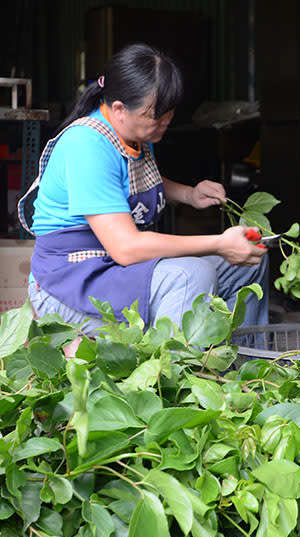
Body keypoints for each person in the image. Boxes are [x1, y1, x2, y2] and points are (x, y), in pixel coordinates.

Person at [19, 43, 268, 336]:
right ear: (119, 109)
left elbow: (131, 181)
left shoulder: (134, 133)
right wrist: (218, 243)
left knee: (247, 265)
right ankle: (173, 376)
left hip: (116, 269)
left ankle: (244, 371)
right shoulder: (86, 145)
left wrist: (189, 194)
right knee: (190, 275)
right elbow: (126, 248)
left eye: (169, 112)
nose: (167, 121)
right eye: (156, 116)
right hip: (73, 279)